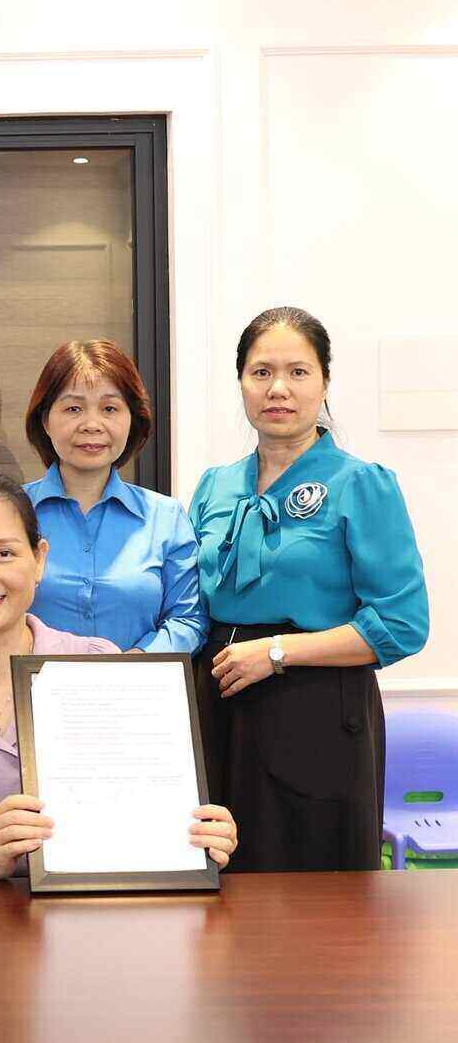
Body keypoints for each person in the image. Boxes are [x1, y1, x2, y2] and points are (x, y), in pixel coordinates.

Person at [0, 469, 239, 879]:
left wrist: (192, 838)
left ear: (39, 559)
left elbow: (140, 817)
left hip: (82, 931)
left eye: (4, 554)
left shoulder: (97, 665)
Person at [190, 307, 428, 873]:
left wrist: (276, 654)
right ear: (241, 383)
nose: (278, 388)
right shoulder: (214, 485)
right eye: (260, 372)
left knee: (315, 898)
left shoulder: (360, 483)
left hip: (316, 707)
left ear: (324, 381)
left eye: (297, 372)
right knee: (218, 888)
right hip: (220, 699)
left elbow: (402, 625)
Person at [21, 340, 206, 652]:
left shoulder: (165, 517)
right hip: (32, 693)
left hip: (140, 691)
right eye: (73, 408)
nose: (92, 425)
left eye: (109, 408)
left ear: (131, 419)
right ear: (45, 420)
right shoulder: (13, 513)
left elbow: (189, 618)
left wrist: (136, 662)